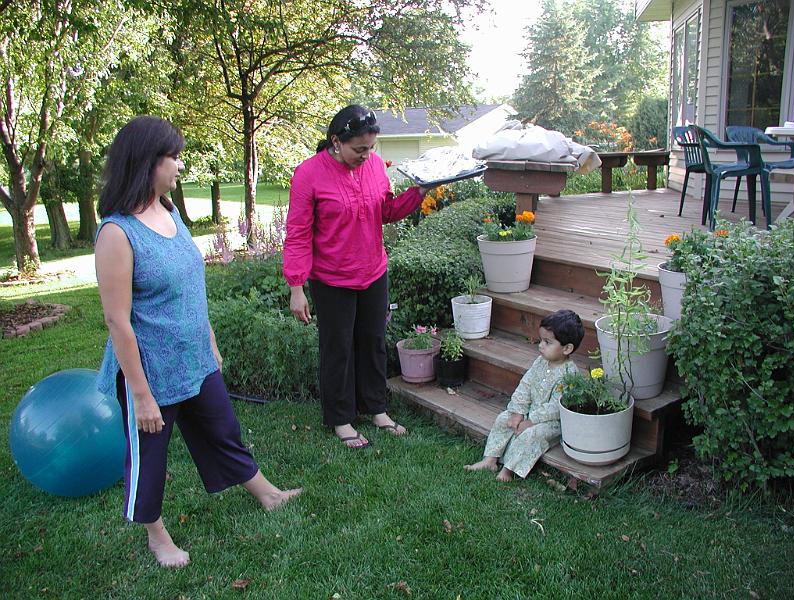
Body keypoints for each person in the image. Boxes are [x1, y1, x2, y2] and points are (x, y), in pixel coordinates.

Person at [94, 116, 301, 569]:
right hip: (149, 370)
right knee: (151, 455)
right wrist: (141, 395)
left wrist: (209, 339)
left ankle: (267, 494)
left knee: (222, 429)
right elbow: (117, 321)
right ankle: (157, 536)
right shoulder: (117, 233)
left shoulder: (169, 211)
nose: (180, 165)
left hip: (194, 356)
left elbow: (191, 287)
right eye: (174, 157)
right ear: (148, 161)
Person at [283, 105, 431, 449]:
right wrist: (296, 287)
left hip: (373, 271)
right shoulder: (308, 174)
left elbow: (386, 211)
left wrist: (419, 193)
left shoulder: (375, 166)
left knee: (373, 342)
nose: (366, 155)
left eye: (371, 148)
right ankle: (341, 418)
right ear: (336, 141)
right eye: (359, 149)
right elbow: (298, 233)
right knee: (338, 349)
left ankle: (376, 409)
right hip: (331, 277)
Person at [465, 310, 584, 481]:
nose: (541, 345)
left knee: (531, 435)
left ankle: (508, 470)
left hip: (551, 423)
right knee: (503, 419)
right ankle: (490, 459)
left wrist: (531, 421)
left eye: (547, 342)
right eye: (541, 340)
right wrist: (518, 411)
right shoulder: (540, 362)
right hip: (529, 411)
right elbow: (525, 385)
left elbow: (556, 407)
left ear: (567, 348)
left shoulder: (569, 374)